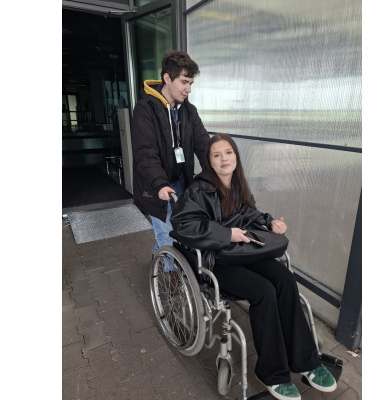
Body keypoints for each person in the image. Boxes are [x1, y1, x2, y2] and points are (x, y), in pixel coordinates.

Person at [170, 134, 337, 400]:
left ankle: (307, 361)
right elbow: (183, 224)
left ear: (236, 156)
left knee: (285, 280)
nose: (224, 159)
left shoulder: (239, 185)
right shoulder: (198, 191)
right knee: (264, 291)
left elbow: (250, 213)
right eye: (216, 155)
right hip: (217, 260)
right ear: (209, 162)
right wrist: (226, 235)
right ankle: (273, 374)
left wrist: (270, 222)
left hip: (244, 251)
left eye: (228, 153)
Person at [131, 51, 210, 269]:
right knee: (166, 234)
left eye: (191, 83)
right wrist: (159, 183)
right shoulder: (145, 109)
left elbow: (203, 144)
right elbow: (145, 152)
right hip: (156, 185)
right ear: (167, 78)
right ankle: (171, 281)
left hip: (182, 182)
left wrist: (218, 172)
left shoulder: (189, 111)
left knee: (182, 230)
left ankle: (160, 253)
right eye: (184, 82)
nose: (188, 89)